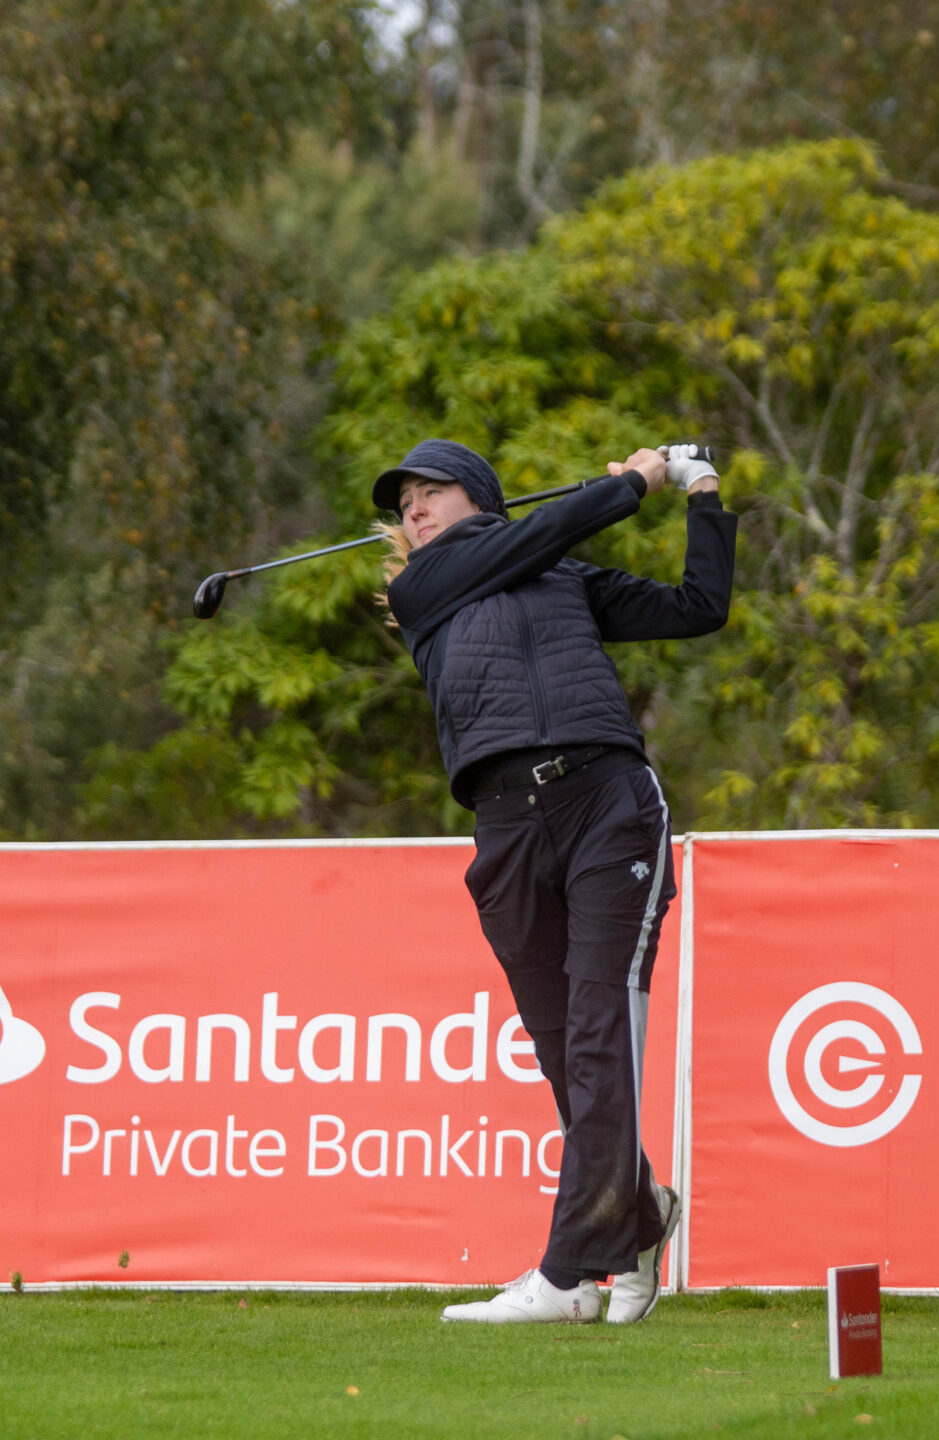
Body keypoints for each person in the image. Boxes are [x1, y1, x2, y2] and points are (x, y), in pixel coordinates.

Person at [373, 437, 736, 1324]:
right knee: (561, 1047)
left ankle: (567, 1277)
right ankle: (639, 1217)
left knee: (599, 1034)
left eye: (431, 491)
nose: (413, 509)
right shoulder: (423, 587)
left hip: (606, 803)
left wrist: (701, 493)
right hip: (506, 826)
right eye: (404, 502)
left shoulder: (562, 575)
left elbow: (698, 607)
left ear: (480, 495)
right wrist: (630, 484)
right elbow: (529, 539)